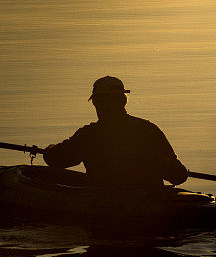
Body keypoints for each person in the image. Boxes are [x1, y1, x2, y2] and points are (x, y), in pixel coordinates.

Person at [43, 76, 189, 187]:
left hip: (104, 207)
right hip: (150, 209)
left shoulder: (89, 135)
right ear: (124, 101)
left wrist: (48, 150)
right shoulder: (149, 130)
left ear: (96, 102)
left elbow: (56, 159)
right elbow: (179, 176)